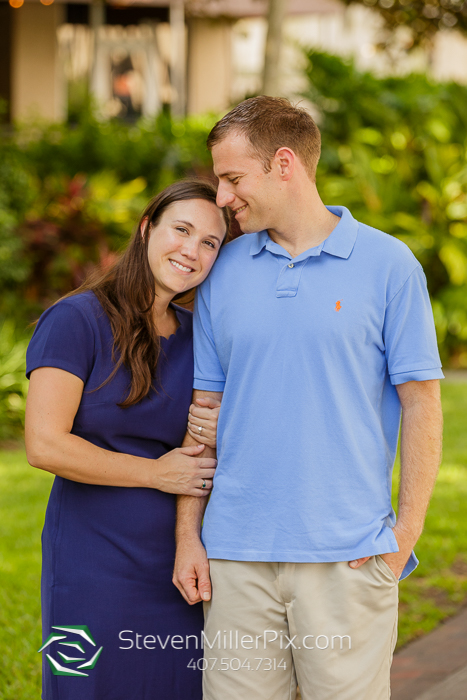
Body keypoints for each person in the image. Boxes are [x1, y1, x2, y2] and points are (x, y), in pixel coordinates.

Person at [173, 97, 444, 700]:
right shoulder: (224, 270)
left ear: (285, 164)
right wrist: (189, 536)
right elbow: (204, 414)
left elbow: (424, 404)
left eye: (232, 177)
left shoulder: (389, 265)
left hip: (346, 556)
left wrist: (404, 538)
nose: (221, 197)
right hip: (237, 557)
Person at [25, 180, 230, 700]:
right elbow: (44, 444)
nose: (192, 249)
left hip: (179, 562)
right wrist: (156, 473)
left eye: (210, 242)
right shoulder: (76, 319)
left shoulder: (195, 335)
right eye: (181, 230)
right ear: (146, 229)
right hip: (92, 562)